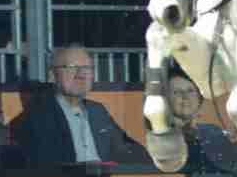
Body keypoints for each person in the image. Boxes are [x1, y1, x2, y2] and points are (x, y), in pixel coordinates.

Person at [13, 44, 149, 167]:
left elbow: (127, 149)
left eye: (87, 68)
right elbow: (45, 166)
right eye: (71, 67)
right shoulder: (36, 118)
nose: (81, 74)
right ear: (52, 76)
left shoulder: (97, 111)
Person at [165, 69, 237, 177]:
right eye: (176, 92)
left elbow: (235, 168)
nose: (185, 97)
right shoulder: (161, 138)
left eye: (190, 90)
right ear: (166, 100)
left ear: (199, 97)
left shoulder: (213, 133)